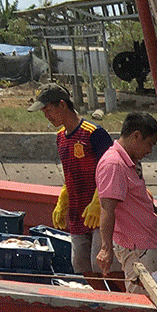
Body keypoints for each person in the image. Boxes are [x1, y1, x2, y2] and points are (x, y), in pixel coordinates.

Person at [29, 83, 111, 275]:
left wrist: (99, 201)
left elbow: (111, 170)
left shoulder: (94, 133)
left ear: (63, 105)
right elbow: (70, 172)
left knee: (101, 267)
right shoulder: (60, 137)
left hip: (100, 214)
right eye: (44, 112)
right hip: (77, 213)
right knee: (82, 269)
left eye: (49, 110)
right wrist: (63, 199)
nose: (47, 116)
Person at [94, 113, 157, 288]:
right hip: (137, 250)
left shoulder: (129, 164)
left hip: (146, 245)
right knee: (142, 299)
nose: (149, 151)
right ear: (137, 136)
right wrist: (105, 248)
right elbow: (107, 209)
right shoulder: (114, 164)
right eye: (149, 144)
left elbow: (140, 208)